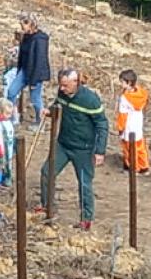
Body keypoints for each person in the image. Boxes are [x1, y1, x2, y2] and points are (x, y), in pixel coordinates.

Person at [38, 69, 108, 231]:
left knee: (84, 184)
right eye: (61, 85)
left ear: (76, 82)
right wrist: (50, 111)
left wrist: (100, 151)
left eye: (65, 85)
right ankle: (47, 207)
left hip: (83, 149)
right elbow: (57, 104)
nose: (62, 89)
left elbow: (102, 125)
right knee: (46, 172)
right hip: (63, 144)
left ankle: (86, 218)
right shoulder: (62, 93)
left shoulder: (90, 100)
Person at [6, 12, 50, 128]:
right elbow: (24, 53)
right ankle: (12, 117)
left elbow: (40, 61)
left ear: (31, 24)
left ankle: (39, 121)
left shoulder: (40, 40)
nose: (21, 28)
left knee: (35, 98)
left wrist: (34, 81)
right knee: (11, 92)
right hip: (25, 70)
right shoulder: (26, 37)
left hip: (35, 74)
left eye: (23, 25)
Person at [116, 69, 150, 173]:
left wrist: (120, 128)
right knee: (140, 146)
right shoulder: (142, 93)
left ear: (129, 82)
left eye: (122, 82)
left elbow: (122, 115)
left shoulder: (125, 98)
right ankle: (144, 166)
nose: (121, 84)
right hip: (138, 124)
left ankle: (132, 167)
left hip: (129, 126)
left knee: (129, 149)